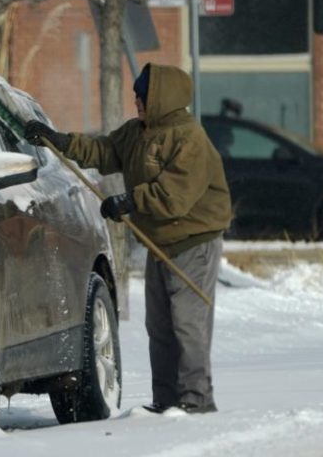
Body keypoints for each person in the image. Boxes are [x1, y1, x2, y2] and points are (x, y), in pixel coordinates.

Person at [24, 63, 232, 414]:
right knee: (160, 326)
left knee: (187, 322)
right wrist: (60, 142)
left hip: (193, 243)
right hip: (159, 242)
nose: (137, 101)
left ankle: (197, 399)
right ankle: (167, 400)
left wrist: (130, 201)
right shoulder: (138, 132)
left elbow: (175, 194)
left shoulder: (188, 138)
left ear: (162, 97)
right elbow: (104, 151)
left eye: (143, 95)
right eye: (136, 95)